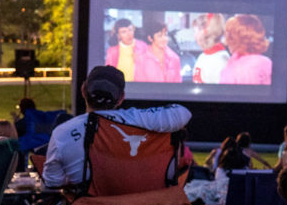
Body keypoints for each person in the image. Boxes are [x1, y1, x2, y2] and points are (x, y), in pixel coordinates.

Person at [41, 66, 191, 189]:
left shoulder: (63, 133)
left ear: (83, 90)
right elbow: (183, 113)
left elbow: (52, 183)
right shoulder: (138, 119)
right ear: (121, 98)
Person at [218, 14, 272, 85]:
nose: (226, 42)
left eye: (228, 36)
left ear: (233, 39)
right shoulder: (267, 62)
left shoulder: (233, 70)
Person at [191, 12, 230, 83]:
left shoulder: (221, 60)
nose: (194, 36)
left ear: (205, 32)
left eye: (195, 31)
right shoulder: (204, 56)